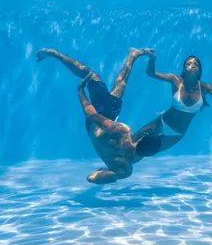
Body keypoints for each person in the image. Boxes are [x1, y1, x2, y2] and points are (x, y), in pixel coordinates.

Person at [35, 47, 161, 184]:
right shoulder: (126, 170)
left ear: (143, 138)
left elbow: (91, 115)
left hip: (99, 119)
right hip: (98, 130)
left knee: (92, 76)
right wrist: (107, 172)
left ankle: (54, 54)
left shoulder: (123, 132)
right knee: (120, 87)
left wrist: (80, 90)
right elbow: (90, 177)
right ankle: (132, 55)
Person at [131, 50, 212, 153]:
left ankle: (118, 169)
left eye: (195, 64)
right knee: (130, 142)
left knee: (141, 152)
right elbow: (151, 73)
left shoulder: (205, 88)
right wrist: (152, 59)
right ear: (183, 69)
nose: (192, 66)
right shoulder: (175, 80)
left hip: (176, 133)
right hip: (162, 121)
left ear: (199, 70)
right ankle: (112, 161)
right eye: (188, 63)